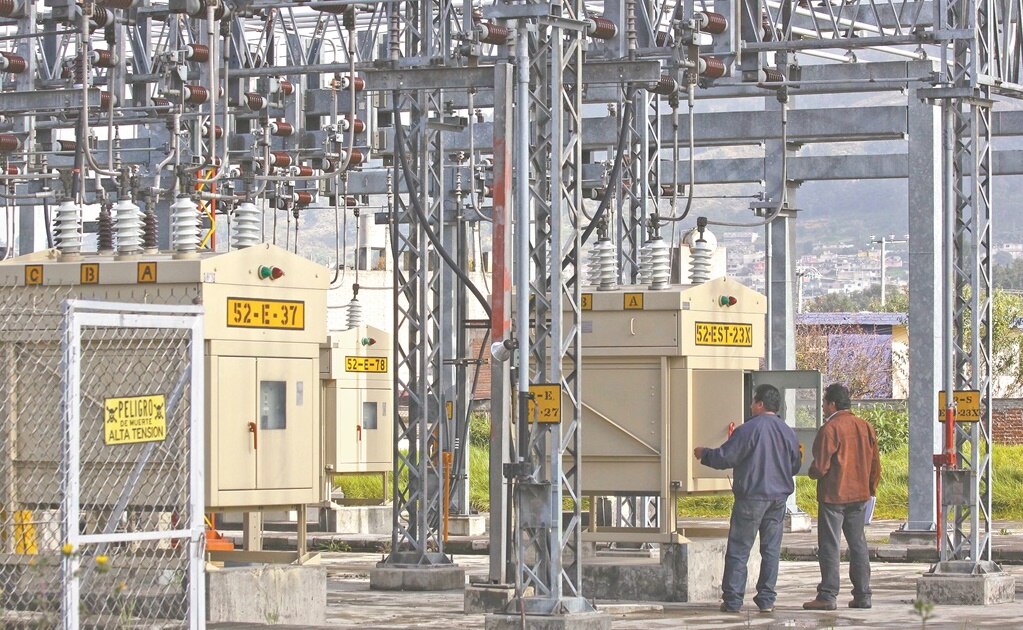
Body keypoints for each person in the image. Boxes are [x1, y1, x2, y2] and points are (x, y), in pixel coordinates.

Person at [693, 383, 802, 614]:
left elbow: (725, 457)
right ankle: (767, 600)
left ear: (760, 404)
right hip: (778, 499)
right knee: (771, 551)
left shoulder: (748, 429)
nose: (751, 405)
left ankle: (733, 600)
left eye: (753, 401)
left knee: (739, 550)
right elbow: (795, 465)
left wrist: (704, 454)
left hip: (751, 498)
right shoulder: (788, 432)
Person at [802, 383, 881, 611]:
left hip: (834, 495)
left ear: (832, 404)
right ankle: (863, 595)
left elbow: (821, 466)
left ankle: (827, 595)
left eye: (824, 402)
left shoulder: (830, 428)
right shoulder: (865, 426)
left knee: (830, 544)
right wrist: (870, 488)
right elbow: (875, 463)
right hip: (859, 495)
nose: (823, 407)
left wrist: (811, 472)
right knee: (858, 544)